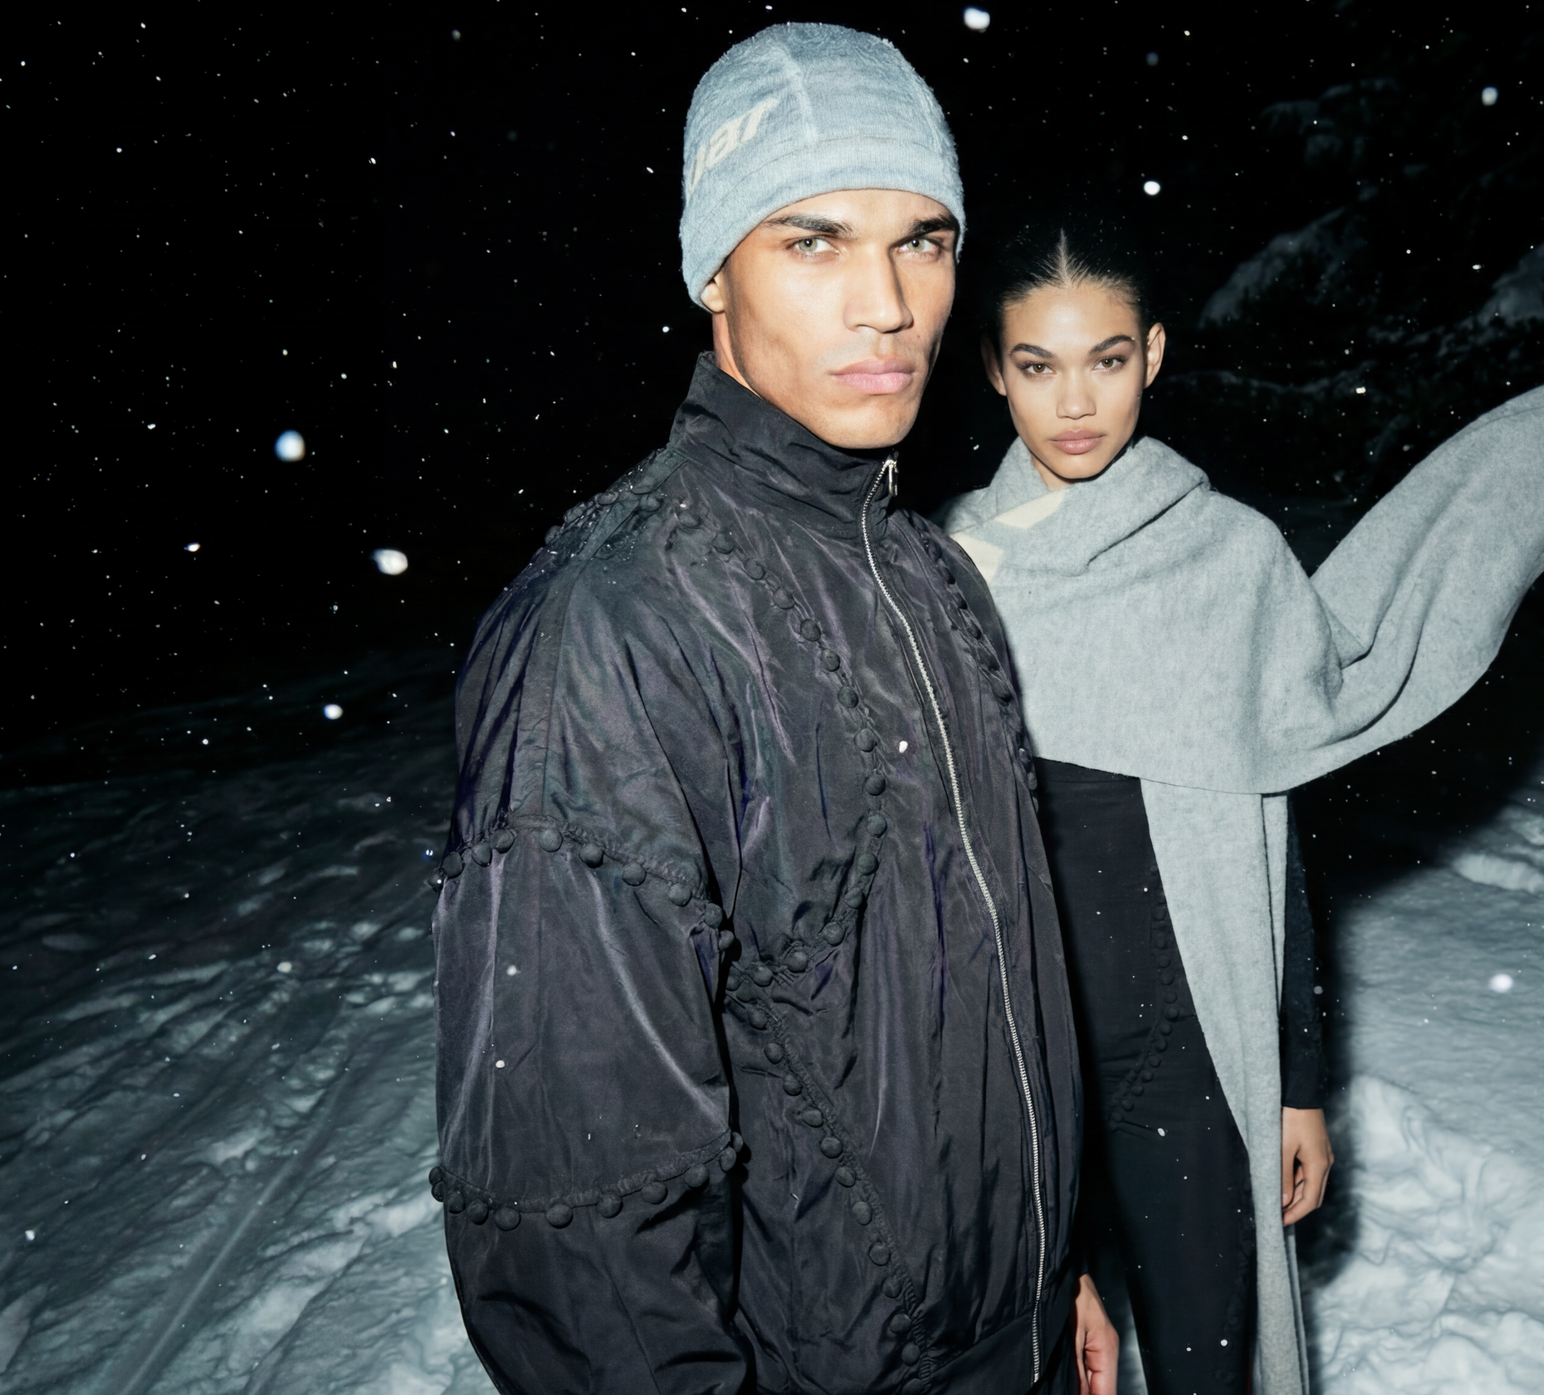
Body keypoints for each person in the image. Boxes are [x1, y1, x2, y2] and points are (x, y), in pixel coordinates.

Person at [942, 220, 1544, 1395]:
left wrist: (1295, 1083)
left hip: (1194, 1052)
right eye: (1038, 365)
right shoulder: (955, 576)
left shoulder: (1226, 561)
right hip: (1017, 1064)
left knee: (1210, 1365)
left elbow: (1270, 845)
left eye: (1107, 359)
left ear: (1154, 355)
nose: (1076, 400)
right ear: (994, 368)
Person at [430, 27, 1094, 1395]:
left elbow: (1001, 991)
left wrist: (1057, 1261)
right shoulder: (615, 627)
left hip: (1011, 1334)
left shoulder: (929, 572)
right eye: (813, 241)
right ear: (712, 272)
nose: (889, 304)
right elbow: (579, 1213)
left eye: (924, 240)